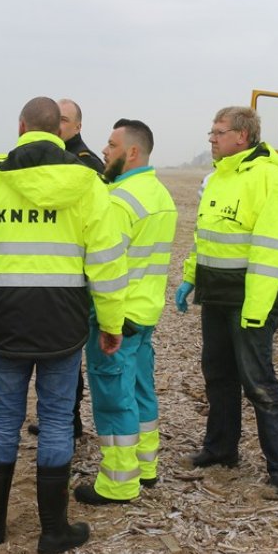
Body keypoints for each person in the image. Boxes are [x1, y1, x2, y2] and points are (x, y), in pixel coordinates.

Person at [0, 97, 127, 554]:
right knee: (54, 422)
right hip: (62, 323)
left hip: (5, 320)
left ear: (21, 126)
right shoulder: (88, 183)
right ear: (58, 131)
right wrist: (111, 322)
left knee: (5, 418)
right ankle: (53, 529)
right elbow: (106, 262)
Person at [174, 106, 278, 499]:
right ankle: (221, 449)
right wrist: (190, 278)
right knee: (218, 375)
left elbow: (272, 252)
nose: (211, 138)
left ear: (242, 136)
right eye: (211, 132)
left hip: (250, 302)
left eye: (218, 132)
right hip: (217, 295)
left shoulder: (270, 180)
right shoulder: (217, 179)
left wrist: (257, 310)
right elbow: (205, 237)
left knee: (259, 383)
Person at [74, 119, 178, 505]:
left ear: (132, 152)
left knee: (114, 398)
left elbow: (106, 269)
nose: (104, 150)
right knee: (140, 390)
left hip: (117, 317)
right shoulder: (159, 194)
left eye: (112, 144)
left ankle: (119, 481)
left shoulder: (119, 201)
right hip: (146, 312)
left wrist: (106, 322)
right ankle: (145, 467)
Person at [26, 97, 104, 440]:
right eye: (54, 118)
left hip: (73, 276)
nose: (58, 124)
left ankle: (68, 421)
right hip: (47, 272)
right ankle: (60, 419)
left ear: (78, 126)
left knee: (67, 358)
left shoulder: (85, 162)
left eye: (65, 119)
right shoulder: (44, 157)